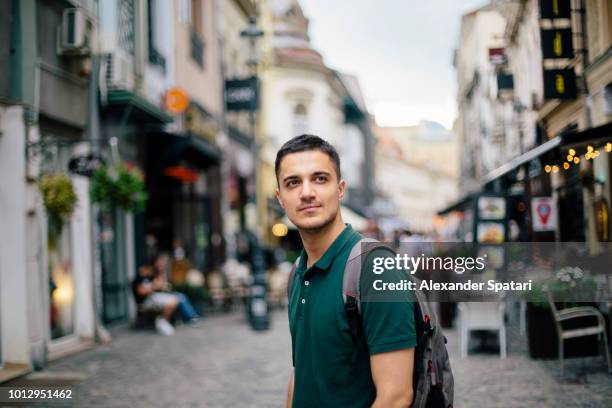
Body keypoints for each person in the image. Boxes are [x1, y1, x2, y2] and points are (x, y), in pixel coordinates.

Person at [275, 135, 416, 407]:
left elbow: (396, 397)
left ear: (340, 189)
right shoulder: (298, 272)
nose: (306, 192)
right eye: (293, 182)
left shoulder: (375, 269)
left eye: (319, 178)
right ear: (280, 198)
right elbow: (302, 370)